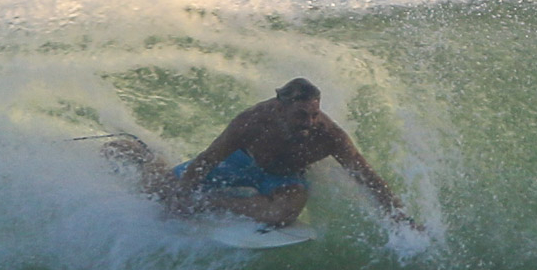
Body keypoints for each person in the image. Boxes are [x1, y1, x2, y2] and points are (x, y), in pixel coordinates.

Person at [106, 78, 420, 229]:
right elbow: (208, 160)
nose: (309, 123)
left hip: (283, 178)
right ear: (280, 107)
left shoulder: (328, 136)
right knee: (160, 192)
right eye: (301, 116)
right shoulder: (250, 123)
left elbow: (366, 175)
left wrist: (399, 217)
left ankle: (208, 204)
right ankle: (142, 154)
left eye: (314, 114)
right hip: (240, 163)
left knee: (283, 215)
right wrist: (180, 194)